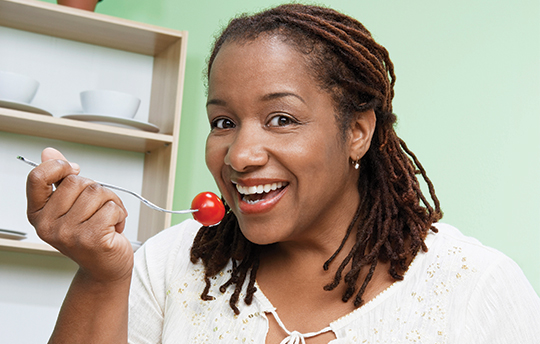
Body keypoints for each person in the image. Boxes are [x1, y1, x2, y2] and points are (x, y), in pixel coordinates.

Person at [26, 4, 540, 344]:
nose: (241, 154)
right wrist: (100, 277)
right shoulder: (167, 266)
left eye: (282, 119)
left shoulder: (474, 287)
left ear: (358, 131)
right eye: (223, 122)